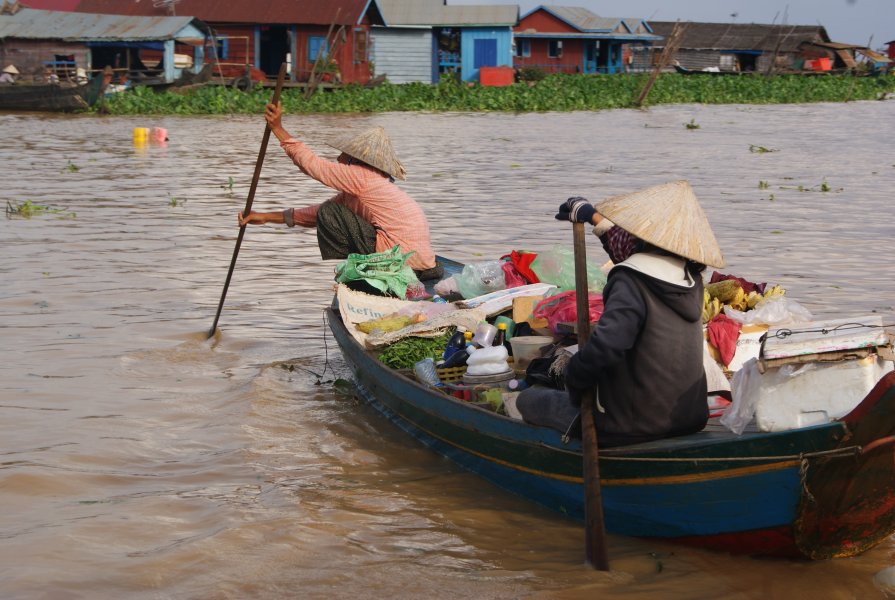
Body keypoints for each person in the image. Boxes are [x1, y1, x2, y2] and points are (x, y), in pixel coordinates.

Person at [516, 180, 725, 447]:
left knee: (528, 399)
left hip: (631, 424)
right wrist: (591, 216)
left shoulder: (630, 280)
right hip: (691, 416)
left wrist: (575, 381)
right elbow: (625, 248)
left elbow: (606, 347)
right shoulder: (691, 280)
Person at [239, 102, 443, 281]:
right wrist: (265, 217)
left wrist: (278, 130)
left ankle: (366, 270)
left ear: (356, 160)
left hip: (399, 260)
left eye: (343, 155)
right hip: (426, 265)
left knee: (330, 211)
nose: (339, 159)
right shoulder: (368, 188)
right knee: (329, 210)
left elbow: (314, 167)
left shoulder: (362, 176)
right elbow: (313, 215)